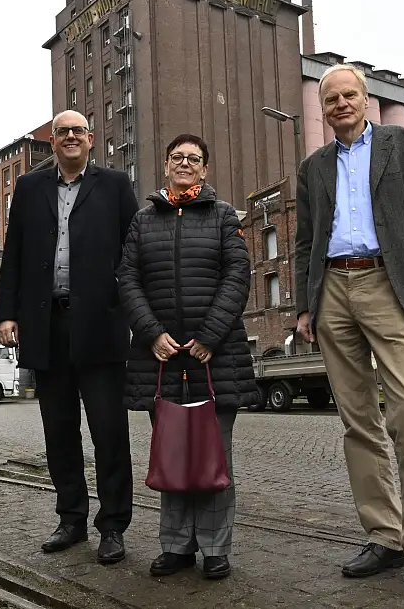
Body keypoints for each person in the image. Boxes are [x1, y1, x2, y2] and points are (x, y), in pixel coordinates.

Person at [294, 64, 404, 602]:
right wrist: (305, 307)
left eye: (349, 95)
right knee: (358, 422)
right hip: (333, 291)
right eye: (331, 99)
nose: (341, 104)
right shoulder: (313, 167)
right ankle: (384, 536)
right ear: (323, 109)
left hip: (389, 285)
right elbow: (305, 240)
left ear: (366, 99)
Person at [0, 110, 138, 564]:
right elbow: (14, 252)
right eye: (63, 132)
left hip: (100, 325)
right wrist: (6, 313)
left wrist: (129, 308)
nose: (71, 136)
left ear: (91, 139)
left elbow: (133, 251)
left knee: (109, 432)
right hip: (46, 326)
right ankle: (71, 519)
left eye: (78, 131)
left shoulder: (115, 185)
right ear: (53, 141)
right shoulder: (29, 188)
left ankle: (113, 525)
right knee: (59, 432)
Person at [118, 134, 260, 580]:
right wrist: (151, 333)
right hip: (161, 360)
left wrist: (210, 335)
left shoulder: (223, 217)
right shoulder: (143, 220)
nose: (184, 163)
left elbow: (238, 276)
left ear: (205, 168)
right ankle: (177, 546)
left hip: (214, 358)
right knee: (173, 453)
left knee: (216, 457)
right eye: (177, 157)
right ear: (165, 165)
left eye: (193, 159)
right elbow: (127, 279)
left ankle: (215, 547)